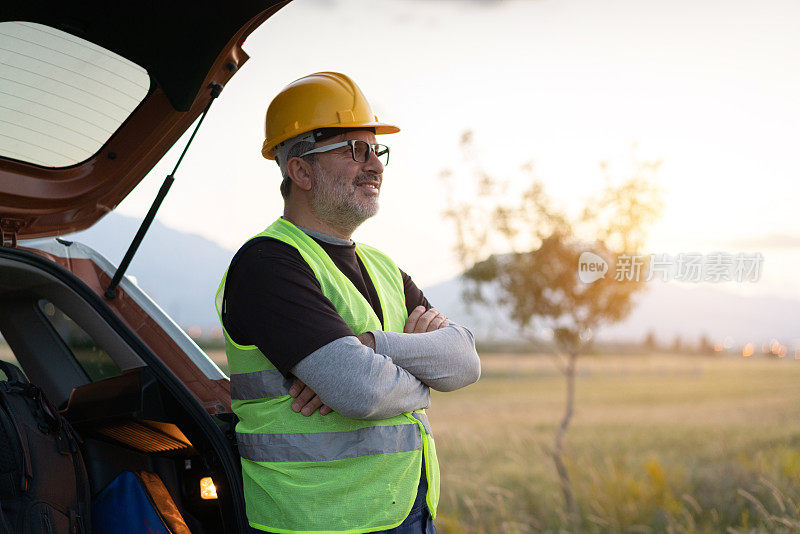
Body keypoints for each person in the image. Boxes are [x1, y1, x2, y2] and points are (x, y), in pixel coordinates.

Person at [215, 72, 481, 534]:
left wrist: (371, 346)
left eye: (377, 151)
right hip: (314, 520)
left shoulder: (383, 266)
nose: (374, 165)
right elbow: (361, 391)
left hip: (405, 510)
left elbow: (464, 361)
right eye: (354, 150)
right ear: (300, 171)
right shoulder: (268, 264)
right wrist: (414, 380)